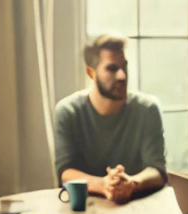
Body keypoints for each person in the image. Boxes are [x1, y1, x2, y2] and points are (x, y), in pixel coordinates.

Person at [54, 34, 167, 204]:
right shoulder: (68, 112)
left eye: (124, 67)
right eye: (112, 68)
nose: (122, 76)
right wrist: (103, 185)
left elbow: (157, 170)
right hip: (85, 208)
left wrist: (131, 183)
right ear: (91, 72)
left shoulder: (148, 109)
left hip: (139, 206)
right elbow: (66, 172)